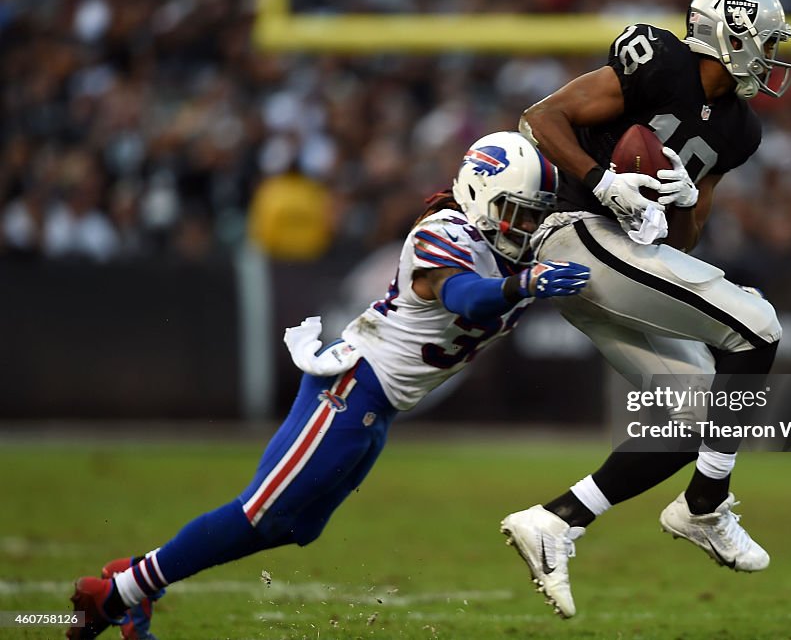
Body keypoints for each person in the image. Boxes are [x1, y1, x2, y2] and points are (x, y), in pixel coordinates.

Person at [66, 131, 590, 639]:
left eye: (534, 214)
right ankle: (118, 593)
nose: (526, 226)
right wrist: (523, 284)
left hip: (380, 406)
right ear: (479, 191)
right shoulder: (445, 232)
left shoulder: (517, 250)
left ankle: (130, 578)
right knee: (259, 513)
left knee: (295, 527)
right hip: (350, 387)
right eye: (517, 210)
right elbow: (468, 297)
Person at [500, 0, 791, 618]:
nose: (771, 57)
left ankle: (557, 522)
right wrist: (600, 178)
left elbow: (685, 243)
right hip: (573, 232)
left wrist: (682, 201)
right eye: (766, 42)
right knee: (759, 327)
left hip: (618, 256)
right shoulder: (658, 61)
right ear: (733, 34)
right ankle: (705, 505)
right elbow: (541, 117)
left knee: (693, 417)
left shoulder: (739, 130)